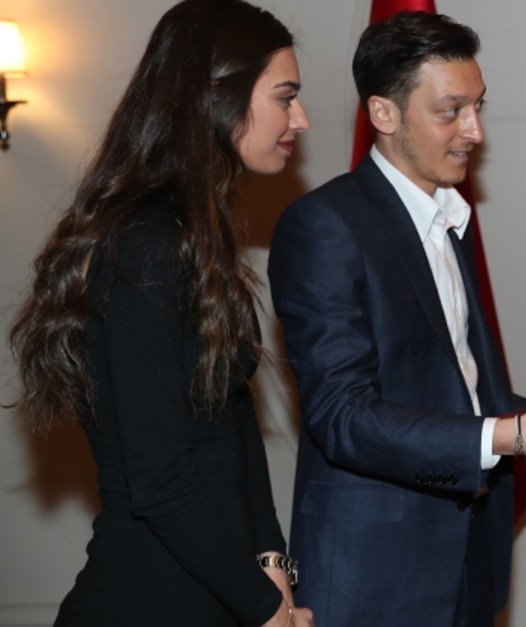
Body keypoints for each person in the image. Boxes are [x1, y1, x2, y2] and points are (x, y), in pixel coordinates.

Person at [267, 11, 526, 626]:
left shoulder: (445, 219)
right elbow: (342, 416)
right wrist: (515, 436)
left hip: (467, 560)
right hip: (374, 577)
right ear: (383, 115)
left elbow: (457, 389)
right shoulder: (325, 225)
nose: (475, 131)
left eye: (479, 107)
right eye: (451, 111)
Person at [6, 1, 315, 625]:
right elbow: (160, 476)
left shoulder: (195, 237)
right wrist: (265, 610)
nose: (301, 119)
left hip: (222, 594)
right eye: (286, 96)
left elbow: (234, 429)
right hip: (145, 601)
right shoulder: (142, 243)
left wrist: (271, 562)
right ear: (216, 96)